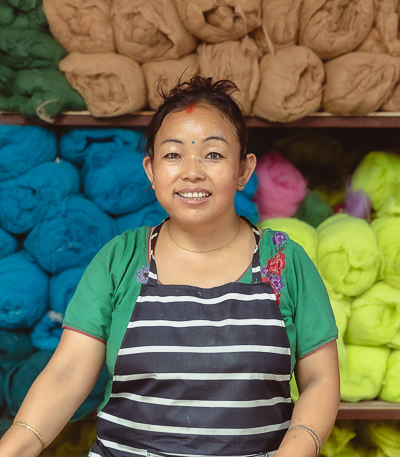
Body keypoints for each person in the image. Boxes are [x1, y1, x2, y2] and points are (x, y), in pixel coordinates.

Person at [0, 76, 340, 457]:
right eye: (173, 155)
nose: (191, 171)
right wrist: (13, 447)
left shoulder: (283, 260)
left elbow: (321, 379)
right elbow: (66, 373)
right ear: (151, 170)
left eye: (213, 154)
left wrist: (296, 450)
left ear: (244, 170)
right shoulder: (121, 259)